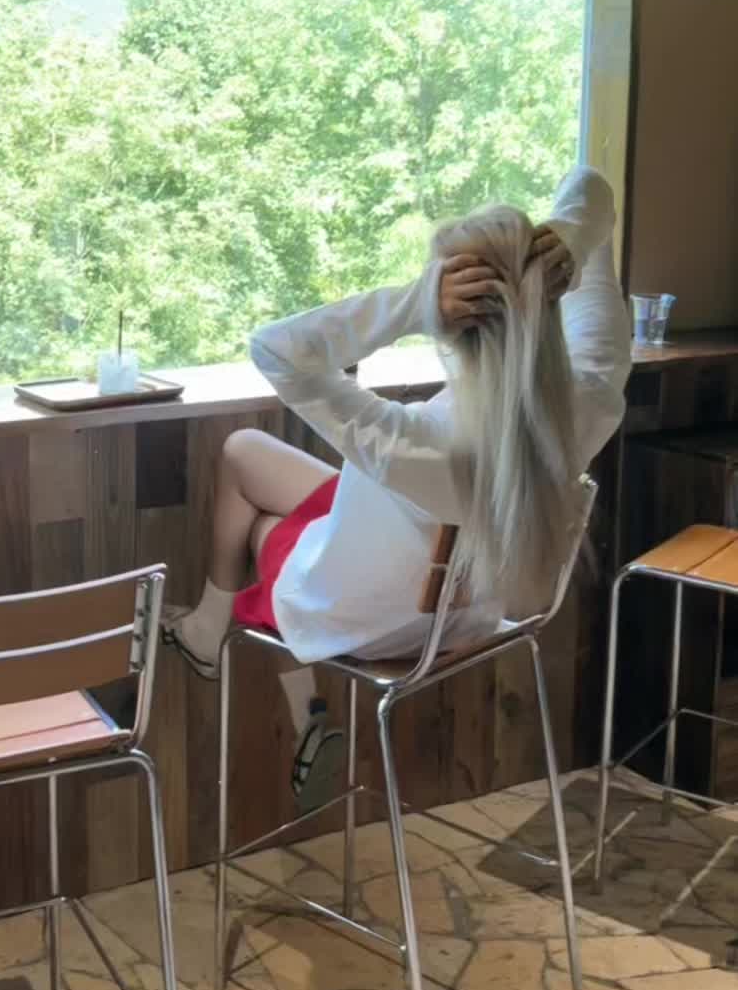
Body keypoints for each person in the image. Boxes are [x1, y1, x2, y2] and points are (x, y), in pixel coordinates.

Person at [162, 164, 631, 807]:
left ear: (451, 325)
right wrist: (572, 237)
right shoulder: (590, 396)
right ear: (554, 292)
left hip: (372, 617)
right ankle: (219, 634)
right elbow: (592, 184)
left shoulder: (417, 441)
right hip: (467, 611)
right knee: (250, 453)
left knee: (263, 524)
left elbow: (273, 347)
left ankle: (224, 642)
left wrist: (416, 303)